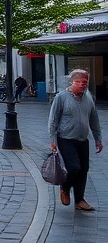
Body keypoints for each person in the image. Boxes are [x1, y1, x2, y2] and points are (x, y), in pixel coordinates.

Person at [49, 69, 102, 211]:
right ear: (72, 82)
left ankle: (79, 200)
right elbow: (53, 120)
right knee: (74, 168)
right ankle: (65, 188)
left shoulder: (88, 97)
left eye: (85, 82)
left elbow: (94, 119)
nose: (82, 85)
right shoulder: (61, 97)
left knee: (84, 169)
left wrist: (98, 138)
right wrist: (53, 140)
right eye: (78, 82)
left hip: (83, 140)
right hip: (66, 139)